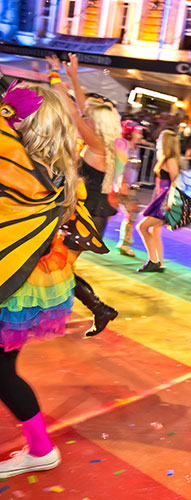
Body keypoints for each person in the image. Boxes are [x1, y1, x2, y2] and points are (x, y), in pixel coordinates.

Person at [0, 82, 106, 478]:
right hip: (24, 284)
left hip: (10, 281)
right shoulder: (60, 171)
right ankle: (40, 447)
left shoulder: (16, 165)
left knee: (2, 371)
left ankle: (42, 448)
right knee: (3, 369)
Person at [45, 53, 119, 337]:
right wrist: (73, 75)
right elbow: (80, 106)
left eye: (89, 116)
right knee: (57, 267)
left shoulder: (97, 142)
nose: (84, 115)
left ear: (97, 123)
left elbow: (73, 111)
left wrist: (56, 75)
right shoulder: (102, 140)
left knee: (59, 268)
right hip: (84, 214)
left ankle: (99, 309)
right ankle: (98, 310)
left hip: (87, 217)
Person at [135, 130, 181, 272]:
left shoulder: (170, 160)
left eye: (161, 138)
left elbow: (177, 182)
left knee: (142, 227)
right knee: (155, 230)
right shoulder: (165, 158)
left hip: (165, 201)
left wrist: (171, 204)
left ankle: (153, 261)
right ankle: (159, 262)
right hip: (161, 199)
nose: (157, 140)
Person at [116, 120, 146, 257]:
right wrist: (121, 182)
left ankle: (124, 243)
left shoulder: (135, 148)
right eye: (137, 132)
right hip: (120, 187)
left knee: (132, 212)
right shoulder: (123, 146)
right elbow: (118, 164)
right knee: (107, 213)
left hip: (129, 186)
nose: (140, 135)